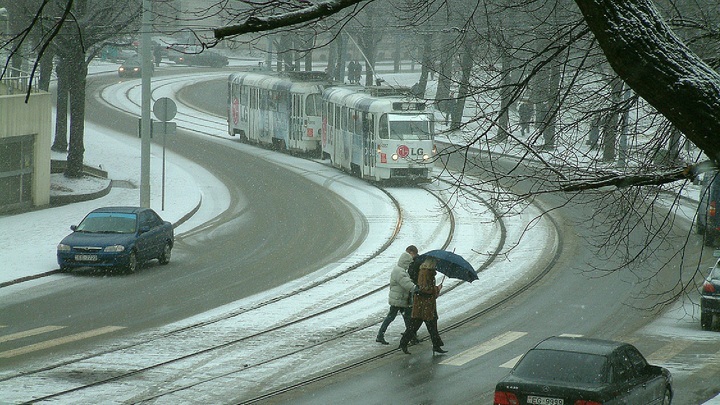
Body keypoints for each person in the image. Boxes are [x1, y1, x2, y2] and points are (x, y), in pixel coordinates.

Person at [398, 257, 447, 354]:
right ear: (431, 263)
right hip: (423, 305)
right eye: (435, 263)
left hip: (426, 305)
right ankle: (403, 343)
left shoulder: (429, 273)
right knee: (415, 326)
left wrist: (435, 289)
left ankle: (436, 345)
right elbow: (424, 289)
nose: (436, 265)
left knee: (431, 326)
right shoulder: (425, 273)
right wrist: (437, 289)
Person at [376, 245, 419, 345]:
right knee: (394, 317)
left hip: (400, 298)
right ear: (405, 262)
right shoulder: (399, 271)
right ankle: (380, 335)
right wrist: (415, 288)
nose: (409, 265)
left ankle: (411, 336)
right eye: (408, 263)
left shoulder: (400, 270)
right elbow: (406, 283)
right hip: (398, 299)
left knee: (405, 317)